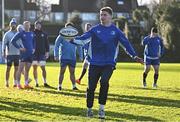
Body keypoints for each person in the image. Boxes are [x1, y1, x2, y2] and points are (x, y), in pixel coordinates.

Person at [70, 7, 143, 119]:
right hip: (94, 63)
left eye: (104, 15)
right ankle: (89, 109)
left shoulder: (116, 31)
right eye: (101, 15)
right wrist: (73, 40)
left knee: (104, 81)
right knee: (91, 88)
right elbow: (83, 39)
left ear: (110, 16)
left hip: (109, 63)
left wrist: (134, 56)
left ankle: (101, 109)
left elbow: (126, 44)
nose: (102, 17)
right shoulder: (94, 30)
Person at [54, 22, 81, 91]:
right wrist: (56, 55)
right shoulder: (61, 35)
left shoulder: (75, 36)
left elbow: (79, 46)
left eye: (70, 28)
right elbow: (56, 45)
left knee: (72, 72)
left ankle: (74, 86)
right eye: (67, 27)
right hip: (63, 57)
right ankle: (59, 86)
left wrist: (81, 55)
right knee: (62, 71)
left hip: (72, 57)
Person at [11, 21, 35, 89]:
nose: (27, 26)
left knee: (27, 70)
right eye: (25, 25)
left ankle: (26, 84)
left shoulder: (32, 33)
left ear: (30, 26)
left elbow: (34, 41)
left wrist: (34, 48)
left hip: (30, 54)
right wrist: (20, 48)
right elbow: (13, 41)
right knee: (20, 69)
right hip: (23, 54)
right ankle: (18, 84)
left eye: (28, 25)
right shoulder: (21, 33)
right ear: (23, 26)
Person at [32, 21, 50, 87]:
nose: (38, 26)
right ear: (35, 26)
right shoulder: (32, 33)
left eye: (39, 25)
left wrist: (47, 52)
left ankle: (45, 82)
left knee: (43, 68)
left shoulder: (44, 34)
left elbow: (47, 44)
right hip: (34, 54)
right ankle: (36, 82)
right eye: (37, 25)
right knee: (35, 68)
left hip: (42, 53)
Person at [2, 18, 19, 87]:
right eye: (12, 24)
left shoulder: (18, 33)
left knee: (16, 69)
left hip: (17, 54)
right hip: (9, 54)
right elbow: (4, 44)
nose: (13, 25)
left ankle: (15, 82)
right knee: (8, 68)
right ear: (10, 25)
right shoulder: (7, 34)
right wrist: (3, 52)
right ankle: (7, 82)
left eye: (14, 24)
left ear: (16, 25)